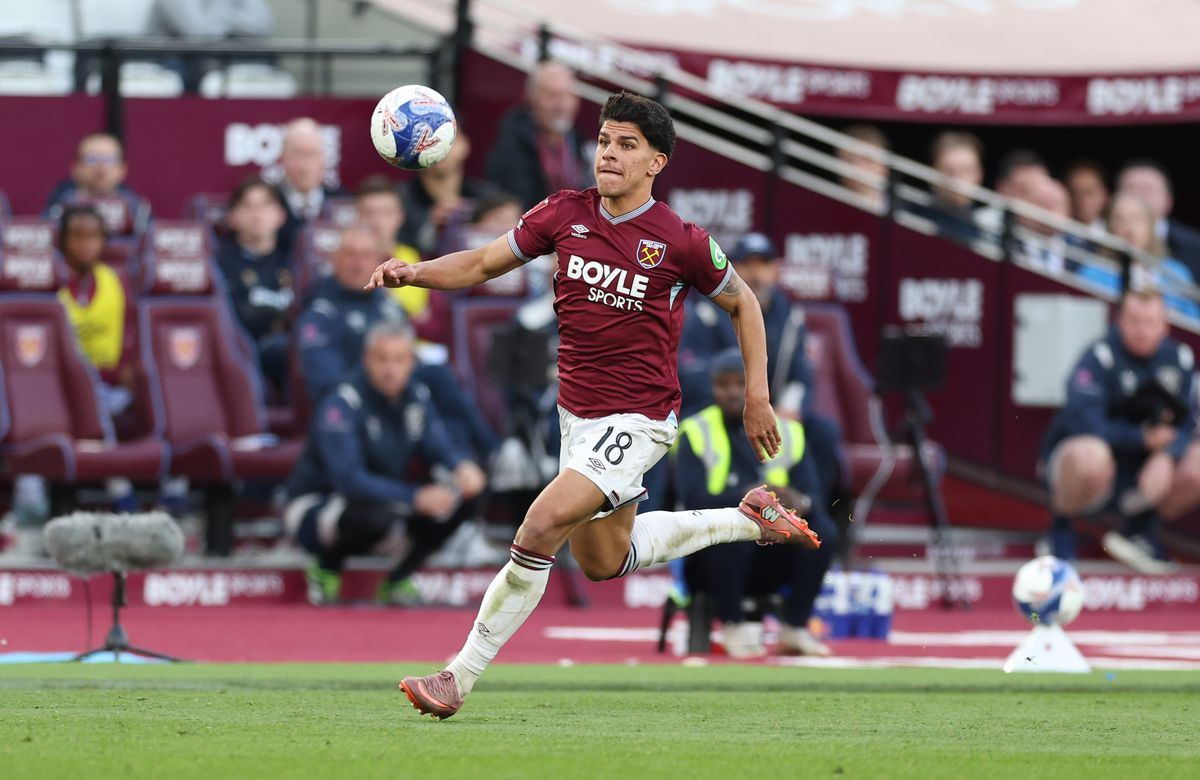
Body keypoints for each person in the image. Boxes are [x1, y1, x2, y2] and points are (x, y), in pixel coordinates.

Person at [368, 90, 821, 720]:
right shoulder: (562, 214)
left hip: (639, 420)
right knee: (605, 559)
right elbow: (479, 263)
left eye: (626, 145)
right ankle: (748, 520)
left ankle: (457, 677)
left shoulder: (680, 240)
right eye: (605, 141)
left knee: (538, 528)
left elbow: (744, 302)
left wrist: (758, 396)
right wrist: (413, 273)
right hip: (576, 419)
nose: (609, 153)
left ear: (656, 162)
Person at [285, 321, 487, 605]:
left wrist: (461, 466)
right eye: (382, 359)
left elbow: (436, 444)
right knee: (373, 514)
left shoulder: (416, 396)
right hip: (318, 505)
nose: (390, 369)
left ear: (411, 362)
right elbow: (348, 479)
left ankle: (399, 578)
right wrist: (414, 497)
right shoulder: (343, 401)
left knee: (469, 491)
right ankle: (326, 568)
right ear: (367, 359)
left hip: (388, 502)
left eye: (399, 360)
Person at [674, 349, 837, 658]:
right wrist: (747, 498)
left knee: (823, 530)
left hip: (775, 554)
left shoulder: (789, 431)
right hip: (711, 559)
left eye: (741, 384)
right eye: (724, 385)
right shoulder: (695, 432)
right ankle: (732, 626)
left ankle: (795, 628)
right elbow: (692, 500)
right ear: (713, 388)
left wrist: (796, 500)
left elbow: (814, 497)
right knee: (736, 527)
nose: (733, 392)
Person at [297, 225, 498, 462]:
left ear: (377, 261)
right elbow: (327, 384)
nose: (358, 264)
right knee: (430, 388)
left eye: (366, 256)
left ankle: (490, 460)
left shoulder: (387, 304)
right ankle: (487, 457)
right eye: (350, 255)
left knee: (450, 414)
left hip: (401, 398)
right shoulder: (319, 313)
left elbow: (409, 355)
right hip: (355, 408)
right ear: (334, 259)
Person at [1039, 289, 1200, 573]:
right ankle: (1060, 530)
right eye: (1134, 321)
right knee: (1092, 454)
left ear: (1164, 326)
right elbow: (1083, 422)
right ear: (1119, 321)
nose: (1142, 330)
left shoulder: (1179, 358)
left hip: (1142, 476)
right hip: (1090, 474)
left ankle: (1139, 532)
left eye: (1150, 322)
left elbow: (1190, 421)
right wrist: (1140, 438)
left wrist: (1167, 455)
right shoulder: (1099, 356)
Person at [681, 233, 843, 511]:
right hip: (720, 410)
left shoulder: (789, 315)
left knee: (824, 433)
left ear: (775, 270)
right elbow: (692, 371)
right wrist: (740, 400)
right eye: (747, 265)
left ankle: (812, 514)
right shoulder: (707, 310)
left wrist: (785, 408)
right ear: (731, 269)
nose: (755, 274)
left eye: (763, 265)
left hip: (772, 411)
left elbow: (800, 376)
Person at [215, 175, 294, 396]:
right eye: (247, 206)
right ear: (232, 217)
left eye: (265, 205)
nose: (257, 214)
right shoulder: (220, 264)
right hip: (245, 353)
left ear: (280, 215)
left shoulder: (295, 262)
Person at [1074, 192, 1199, 319]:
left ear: (1151, 226)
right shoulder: (1094, 272)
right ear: (1110, 227)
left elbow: (1194, 324)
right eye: (1120, 219)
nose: (1129, 228)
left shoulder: (1175, 273)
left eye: (1137, 218)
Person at [485, 61, 590, 210]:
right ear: (531, 98)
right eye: (552, 96)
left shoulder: (583, 145)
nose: (561, 106)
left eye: (568, 96)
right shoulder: (511, 146)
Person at [399, 128, 495, 256]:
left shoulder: (489, 199)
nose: (440, 147)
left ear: (465, 145)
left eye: (448, 138)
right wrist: (430, 229)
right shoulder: (397, 201)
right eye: (430, 140)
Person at [44, 134, 150, 235]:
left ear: (123, 169)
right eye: (91, 160)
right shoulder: (58, 206)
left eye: (110, 160)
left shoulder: (138, 209)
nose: (101, 169)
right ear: (75, 168)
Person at [1115, 159, 1200, 277]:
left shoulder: (1195, 247)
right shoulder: (1094, 241)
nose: (1140, 196)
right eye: (1131, 188)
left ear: (1168, 201)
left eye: (1148, 189)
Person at [275, 118, 346, 244]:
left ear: (323, 159)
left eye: (312, 154)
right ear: (282, 158)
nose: (305, 166)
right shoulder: (268, 201)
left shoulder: (342, 202)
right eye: (298, 154)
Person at [922, 130, 985, 245]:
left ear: (979, 175)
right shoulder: (910, 220)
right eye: (948, 171)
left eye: (966, 170)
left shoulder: (990, 228)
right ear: (932, 174)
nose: (956, 179)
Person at [836, 124, 889, 211]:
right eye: (848, 160)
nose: (857, 168)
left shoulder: (911, 212)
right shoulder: (824, 209)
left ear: (884, 167)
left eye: (867, 160)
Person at [1064, 159, 1110, 234]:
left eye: (1089, 193)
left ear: (1104, 195)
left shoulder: (1113, 232)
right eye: (1075, 193)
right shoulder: (1055, 230)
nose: (1082, 201)